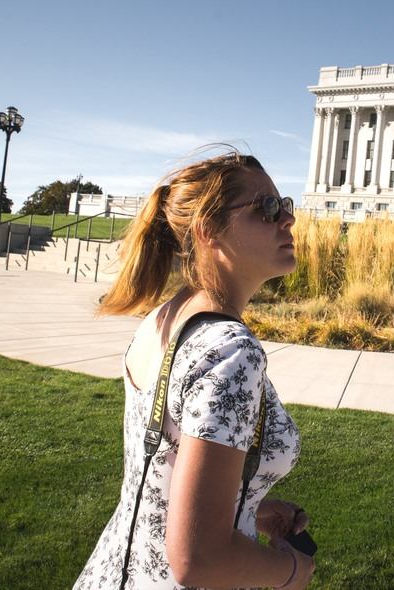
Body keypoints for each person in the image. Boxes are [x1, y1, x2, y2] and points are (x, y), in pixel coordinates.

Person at [74, 149, 315, 590]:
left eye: (286, 206)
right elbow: (198, 560)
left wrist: (248, 506)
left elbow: (162, 470)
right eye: (266, 208)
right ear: (209, 231)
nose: (287, 219)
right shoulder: (230, 350)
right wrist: (292, 572)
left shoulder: (164, 319)